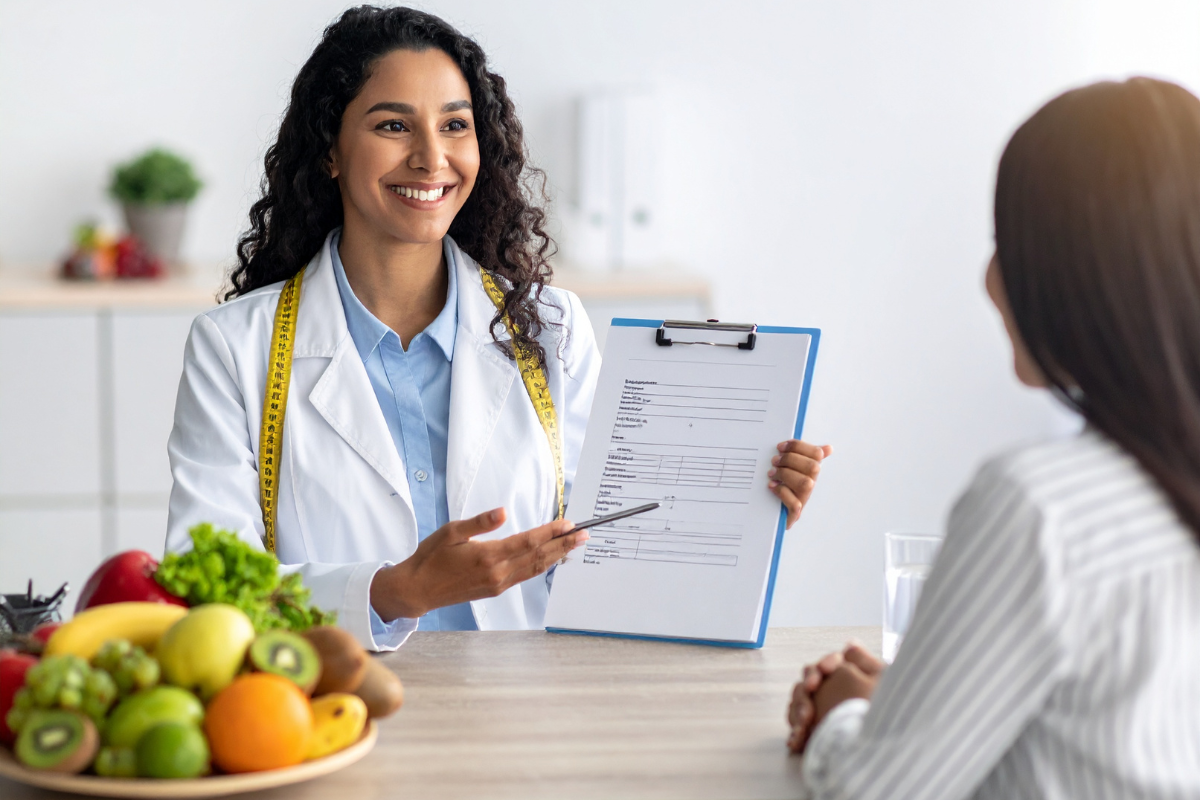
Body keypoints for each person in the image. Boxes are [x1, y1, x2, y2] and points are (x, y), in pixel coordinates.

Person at [165, 6, 830, 651]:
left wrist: (743, 503)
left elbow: (609, 553)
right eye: (393, 125)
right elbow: (208, 591)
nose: (432, 158)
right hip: (329, 717)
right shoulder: (235, 348)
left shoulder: (553, 330)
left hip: (526, 716)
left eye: (455, 125)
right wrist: (392, 593)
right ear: (330, 149)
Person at [787, 77, 1200, 798]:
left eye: (1006, 243)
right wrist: (918, 708)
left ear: (1078, 270)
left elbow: (874, 792)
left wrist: (843, 712)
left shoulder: (1040, 507)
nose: (988, 277)